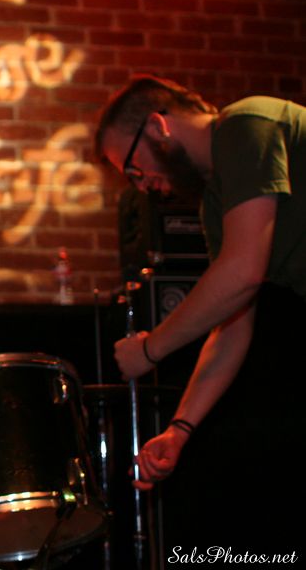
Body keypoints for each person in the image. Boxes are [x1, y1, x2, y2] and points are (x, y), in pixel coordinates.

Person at [95, 75, 306, 545]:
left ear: (157, 127)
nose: (143, 187)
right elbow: (231, 324)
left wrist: (150, 349)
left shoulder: (247, 123)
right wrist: (179, 429)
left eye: (134, 170)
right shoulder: (217, 204)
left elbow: (243, 272)